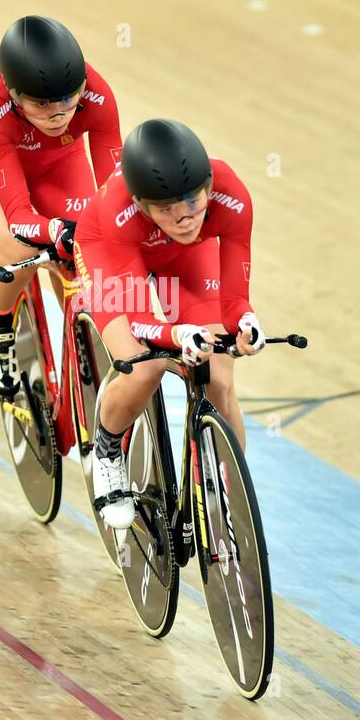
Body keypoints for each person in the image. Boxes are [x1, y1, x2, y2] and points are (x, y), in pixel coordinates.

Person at [73, 119, 265, 531]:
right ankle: (107, 449)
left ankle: (228, 494)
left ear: (209, 185)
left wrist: (245, 323)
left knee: (219, 376)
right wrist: (177, 333)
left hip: (185, 261)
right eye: (166, 210)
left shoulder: (232, 196)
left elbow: (233, 299)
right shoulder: (118, 211)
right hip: (110, 253)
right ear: (143, 205)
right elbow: (141, 321)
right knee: (146, 365)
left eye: (194, 203)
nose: (184, 218)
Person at [0, 16, 121, 396]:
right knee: (21, 245)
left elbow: (116, 189)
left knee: (79, 259)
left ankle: (84, 340)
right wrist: (53, 230)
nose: (59, 114)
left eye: (67, 100)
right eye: (42, 104)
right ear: (14, 95)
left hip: (59, 161)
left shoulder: (98, 96)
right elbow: (18, 213)